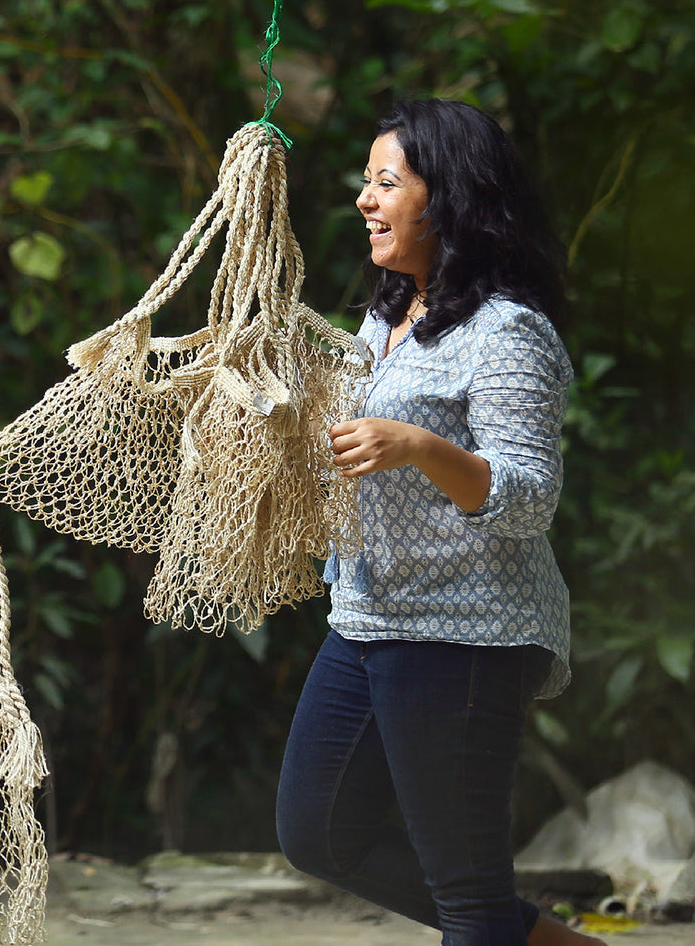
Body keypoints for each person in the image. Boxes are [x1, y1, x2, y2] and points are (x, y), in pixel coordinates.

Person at [275, 99, 605, 946]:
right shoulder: (386, 318)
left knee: (466, 894)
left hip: (466, 631)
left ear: (448, 198)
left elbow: (528, 498)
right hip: (368, 613)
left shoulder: (509, 334)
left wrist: (419, 445)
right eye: (364, 181)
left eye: (385, 181)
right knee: (316, 832)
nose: (362, 198)